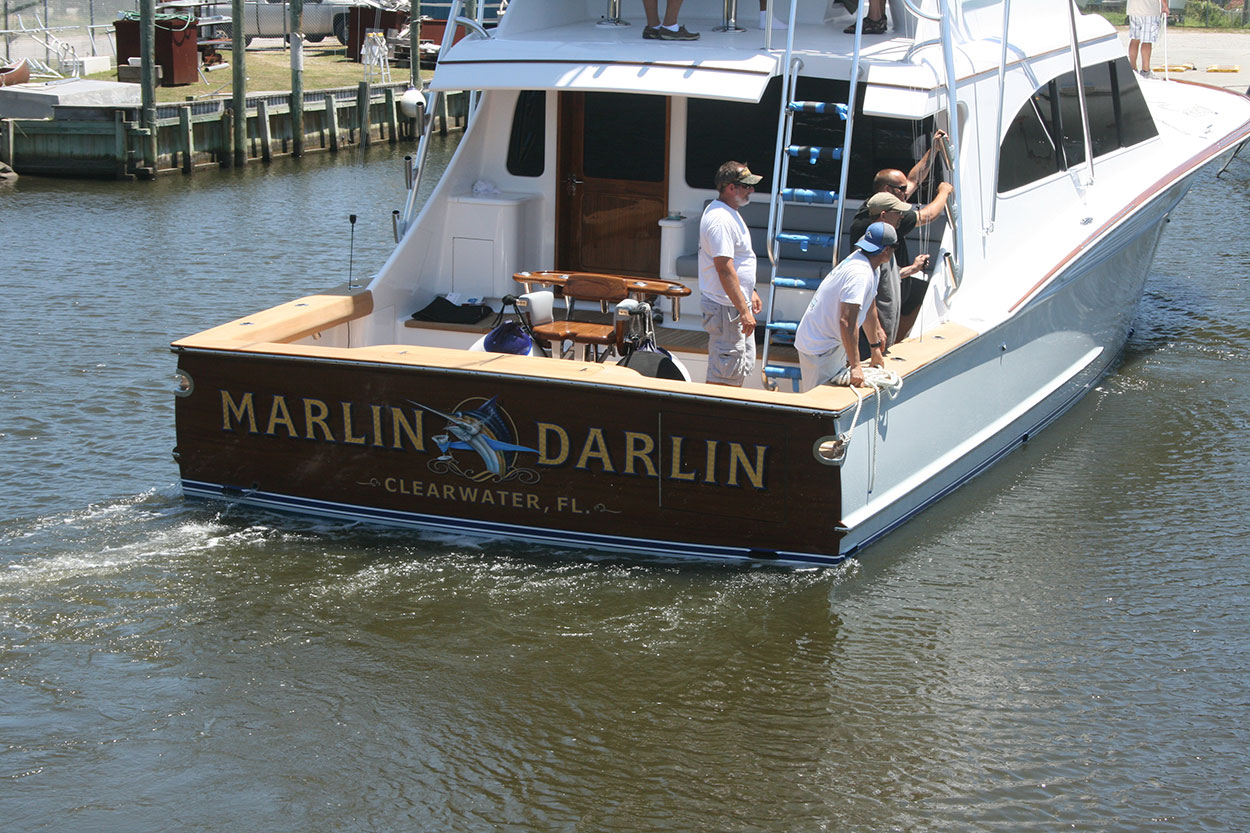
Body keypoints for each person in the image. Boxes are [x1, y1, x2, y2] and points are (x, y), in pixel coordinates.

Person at [849, 136, 954, 340]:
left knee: (927, 294)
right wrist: (944, 192)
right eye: (902, 189)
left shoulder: (882, 205)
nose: (907, 193)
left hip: (899, 282)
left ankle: (897, 338)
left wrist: (934, 150)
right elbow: (929, 215)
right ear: (888, 191)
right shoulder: (884, 218)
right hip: (883, 296)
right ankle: (893, 341)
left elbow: (913, 179)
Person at [794, 222, 896, 392]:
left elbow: (869, 307)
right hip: (820, 348)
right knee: (819, 405)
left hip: (829, 343)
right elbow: (847, 321)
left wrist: (875, 347)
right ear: (887, 251)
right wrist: (856, 365)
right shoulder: (860, 274)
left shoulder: (868, 263)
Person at [698, 161, 764, 387]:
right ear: (729, 187)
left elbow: (737, 260)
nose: (751, 190)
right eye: (746, 186)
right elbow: (724, 268)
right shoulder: (721, 219)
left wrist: (750, 291)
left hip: (733, 306)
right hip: (727, 310)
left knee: (736, 370)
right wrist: (744, 310)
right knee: (723, 377)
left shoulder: (729, 212)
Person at [852, 191, 931, 353]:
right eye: (898, 213)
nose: (901, 217)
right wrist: (877, 332)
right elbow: (867, 292)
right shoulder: (871, 245)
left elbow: (886, 278)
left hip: (881, 337)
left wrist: (913, 269)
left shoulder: (885, 241)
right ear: (883, 215)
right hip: (872, 339)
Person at [1127, 0, 1169, 79]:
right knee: (1147, 41)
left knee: (1134, 39)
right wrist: (1165, 5)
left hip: (1133, 9)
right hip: (1149, 10)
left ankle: (1132, 69)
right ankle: (1145, 71)